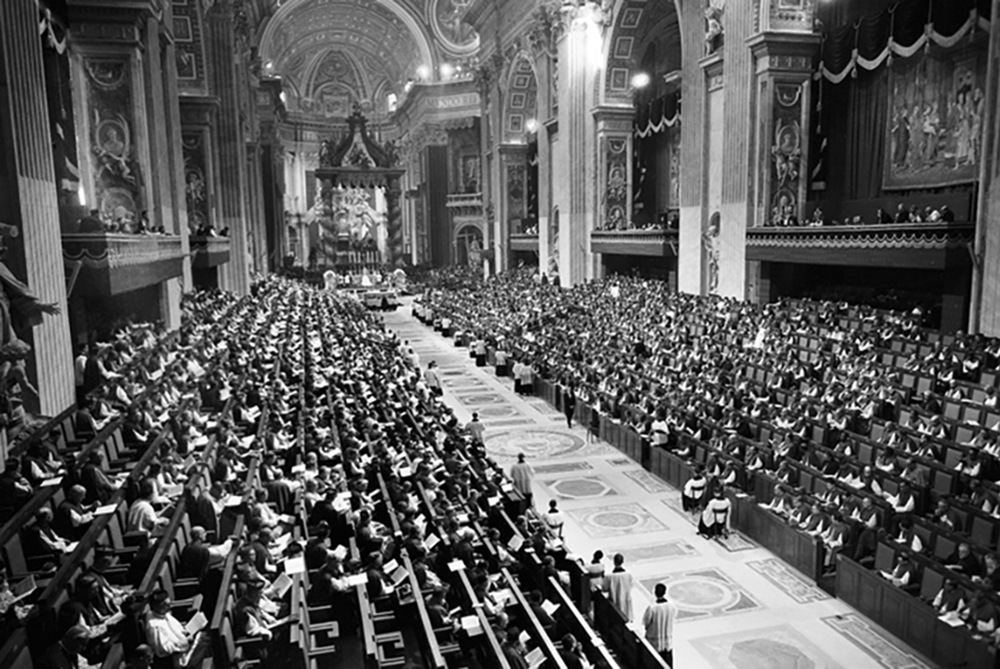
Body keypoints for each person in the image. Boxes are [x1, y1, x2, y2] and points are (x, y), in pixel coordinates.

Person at [145, 589, 209, 667]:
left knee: (205, 636)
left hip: (185, 646)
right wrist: (185, 641)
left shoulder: (163, 613)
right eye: (166, 605)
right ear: (156, 606)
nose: (170, 607)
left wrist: (185, 632)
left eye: (169, 603)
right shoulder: (154, 627)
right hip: (179, 658)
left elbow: (177, 629)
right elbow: (163, 650)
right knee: (207, 642)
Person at [642, 583, 676, 665]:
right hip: (667, 641)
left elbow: (646, 622)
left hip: (654, 641)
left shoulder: (652, 608)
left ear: (655, 592)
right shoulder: (671, 606)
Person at [604, 553, 634, 622]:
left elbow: (604, 588)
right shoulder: (628, 575)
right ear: (622, 562)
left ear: (614, 562)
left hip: (615, 601)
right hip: (626, 600)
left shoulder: (609, 577)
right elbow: (631, 586)